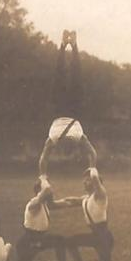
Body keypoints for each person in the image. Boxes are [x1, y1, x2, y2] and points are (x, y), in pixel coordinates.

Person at [52, 167, 131, 261]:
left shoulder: (100, 196)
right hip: (95, 236)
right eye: (85, 180)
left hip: (104, 238)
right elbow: (70, 200)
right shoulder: (86, 198)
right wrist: (52, 203)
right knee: (70, 242)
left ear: (94, 183)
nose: (84, 182)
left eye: (87, 180)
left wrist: (93, 166)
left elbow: (95, 179)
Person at [38, 31, 98, 178]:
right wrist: (92, 171)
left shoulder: (75, 136)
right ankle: (67, 45)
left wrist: (43, 176)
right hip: (61, 108)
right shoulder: (55, 137)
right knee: (61, 74)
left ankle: (70, 45)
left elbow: (92, 153)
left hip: (73, 108)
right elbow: (92, 153)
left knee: (74, 74)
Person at [14, 176, 77, 261]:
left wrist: (74, 202)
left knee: (59, 240)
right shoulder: (34, 203)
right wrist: (43, 178)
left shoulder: (44, 204)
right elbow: (47, 191)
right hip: (30, 240)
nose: (51, 194)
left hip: (36, 238)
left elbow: (59, 203)